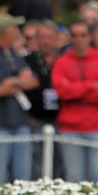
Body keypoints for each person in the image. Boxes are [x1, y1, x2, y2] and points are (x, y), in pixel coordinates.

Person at [0, 12, 39, 184]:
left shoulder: (15, 54)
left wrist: (13, 82)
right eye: (14, 27)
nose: (17, 31)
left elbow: (33, 81)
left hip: (20, 123)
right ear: (5, 31)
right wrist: (20, 81)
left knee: (22, 179)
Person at [49, 20, 98, 182]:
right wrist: (90, 85)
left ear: (90, 37)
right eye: (75, 35)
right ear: (70, 38)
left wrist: (74, 89)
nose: (79, 39)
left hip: (97, 127)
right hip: (70, 127)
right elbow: (61, 92)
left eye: (83, 35)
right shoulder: (62, 62)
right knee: (74, 178)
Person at [22, 20, 63, 179]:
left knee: (60, 162)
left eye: (50, 37)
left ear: (57, 39)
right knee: (36, 163)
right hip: (35, 120)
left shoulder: (65, 60)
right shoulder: (27, 61)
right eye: (42, 37)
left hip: (61, 120)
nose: (46, 41)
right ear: (36, 39)